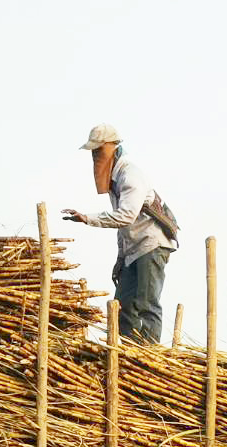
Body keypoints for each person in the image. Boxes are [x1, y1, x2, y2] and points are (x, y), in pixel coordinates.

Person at [62, 123, 179, 343]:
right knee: (123, 305)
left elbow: (126, 216)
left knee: (146, 303)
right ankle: (128, 350)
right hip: (134, 249)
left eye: (99, 150)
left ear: (112, 147)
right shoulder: (115, 180)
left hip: (151, 245)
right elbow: (123, 227)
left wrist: (88, 218)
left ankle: (149, 353)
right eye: (93, 152)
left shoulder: (129, 174)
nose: (96, 157)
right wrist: (121, 258)